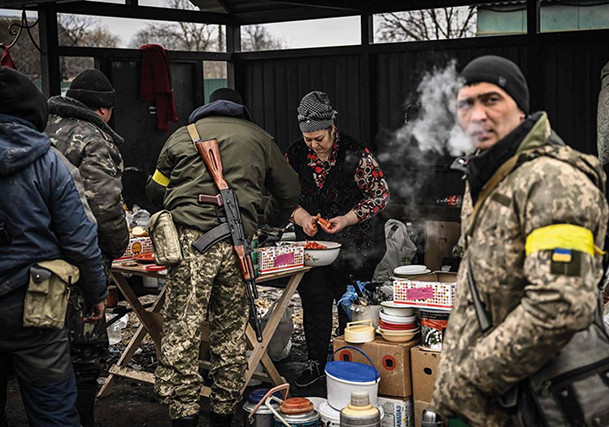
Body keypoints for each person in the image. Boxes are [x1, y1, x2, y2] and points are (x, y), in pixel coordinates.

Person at [429, 56, 609, 426]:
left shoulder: (554, 181)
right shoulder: (484, 176)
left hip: (531, 405)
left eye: (492, 100)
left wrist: (474, 374)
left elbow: (559, 306)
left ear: (520, 108)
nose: (477, 114)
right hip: (483, 407)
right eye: (467, 103)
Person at [146, 88, 300, 427]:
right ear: (239, 112)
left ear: (206, 109)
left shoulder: (181, 137)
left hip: (189, 244)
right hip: (238, 246)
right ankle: (223, 414)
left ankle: (183, 414)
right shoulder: (261, 138)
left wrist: (180, 195)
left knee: (183, 333)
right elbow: (290, 191)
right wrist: (267, 220)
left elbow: (155, 188)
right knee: (230, 336)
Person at [0, 66, 108, 426]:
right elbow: (79, 237)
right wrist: (95, 292)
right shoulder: (48, 162)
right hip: (34, 305)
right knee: (53, 412)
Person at [286, 91, 389, 387]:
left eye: (319, 138)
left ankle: (351, 364)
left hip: (359, 244)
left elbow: (380, 195)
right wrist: (303, 217)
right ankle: (316, 363)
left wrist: (346, 218)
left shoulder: (356, 154)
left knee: (351, 304)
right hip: (315, 248)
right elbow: (283, 196)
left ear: (332, 127)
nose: (314, 145)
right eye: (308, 139)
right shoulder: (294, 155)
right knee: (314, 300)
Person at [44, 68, 129, 427]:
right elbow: (104, 205)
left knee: (42, 351)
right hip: (78, 262)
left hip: (34, 260)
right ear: (104, 109)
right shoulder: (92, 138)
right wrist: (119, 245)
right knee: (84, 353)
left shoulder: (42, 129)